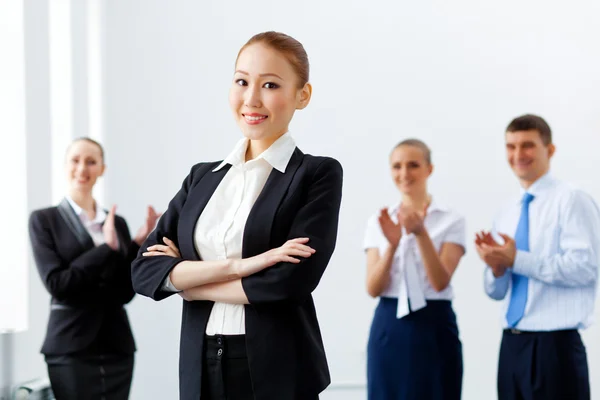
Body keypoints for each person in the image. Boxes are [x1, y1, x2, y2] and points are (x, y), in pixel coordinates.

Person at [130, 31, 343, 400]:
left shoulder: (316, 174)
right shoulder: (201, 177)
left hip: (278, 370)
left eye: (271, 85)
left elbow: (290, 282)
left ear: (302, 95)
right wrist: (243, 266)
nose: (251, 99)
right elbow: (144, 271)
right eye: (242, 81)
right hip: (201, 368)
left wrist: (186, 283)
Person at [475, 114, 600, 400]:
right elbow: (496, 292)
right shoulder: (507, 210)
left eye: (527, 145)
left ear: (550, 150)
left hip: (554, 349)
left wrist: (517, 259)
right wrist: (497, 269)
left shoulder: (571, 199)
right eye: (511, 146)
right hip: (511, 346)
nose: (518, 154)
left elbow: (585, 267)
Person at [28, 137, 160, 400]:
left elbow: (124, 294)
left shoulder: (116, 223)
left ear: (102, 169)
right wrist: (105, 248)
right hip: (70, 346)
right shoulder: (45, 220)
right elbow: (57, 284)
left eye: (91, 162)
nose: (82, 168)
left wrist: (135, 244)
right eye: (75, 160)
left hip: (116, 346)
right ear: (65, 166)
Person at [363, 139, 465, 400]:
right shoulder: (379, 221)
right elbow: (373, 288)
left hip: (434, 323)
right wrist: (393, 245)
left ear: (429, 169)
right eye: (397, 166)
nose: (404, 173)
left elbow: (440, 280)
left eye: (413, 165)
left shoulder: (451, 219)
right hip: (389, 324)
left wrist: (420, 233)